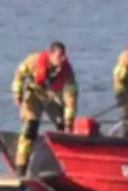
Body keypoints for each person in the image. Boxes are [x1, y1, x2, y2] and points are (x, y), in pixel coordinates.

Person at [10, 41, 78, 177]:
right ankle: (21, 167)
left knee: (63, 127)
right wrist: (17, 93)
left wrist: (69, 118)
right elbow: (19, 75)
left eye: (64, 56)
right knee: (30, 129)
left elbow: (71, 95)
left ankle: (64, 164)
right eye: (59, 56)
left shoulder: (67, 70)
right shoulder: (33, 61)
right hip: (33, 96)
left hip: (50, 97)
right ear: (51, 55)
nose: (62, 60)